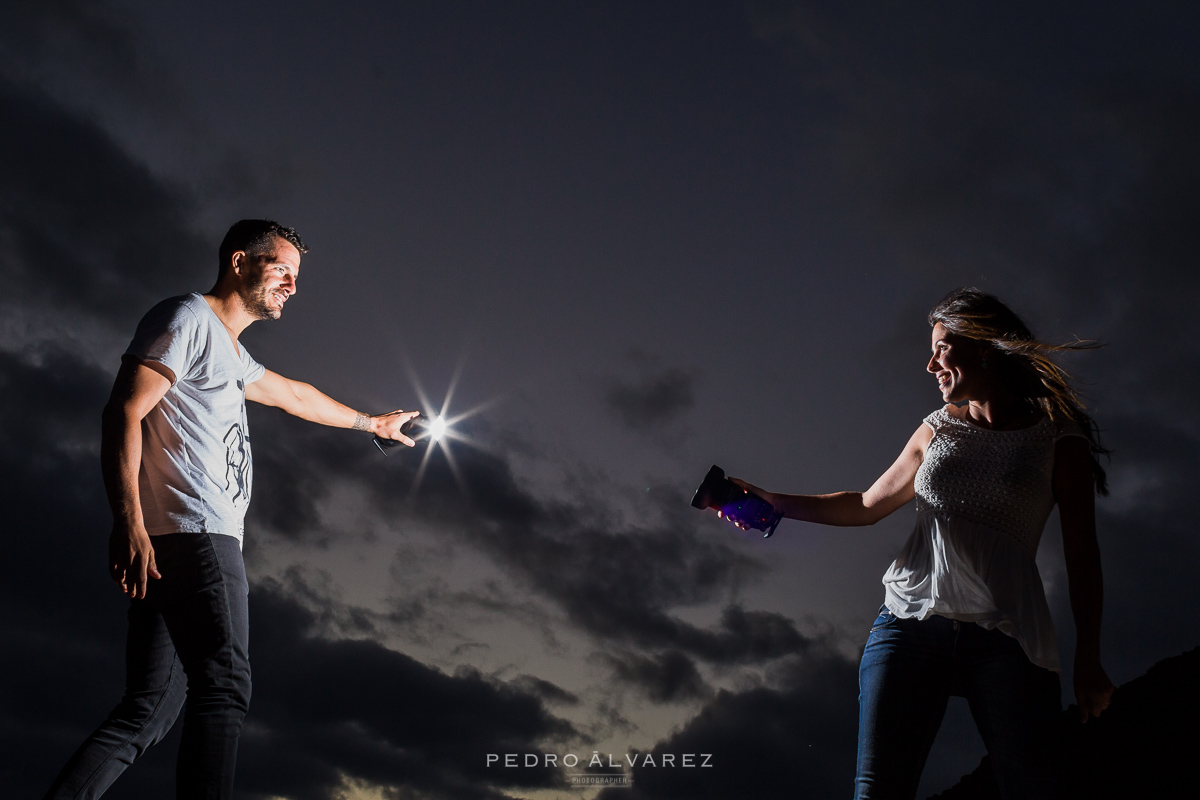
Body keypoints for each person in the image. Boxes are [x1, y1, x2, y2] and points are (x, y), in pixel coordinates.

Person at [44, 220, 419, 800]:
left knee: (148, 710)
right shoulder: (187, 318)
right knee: (224, 684)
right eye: (283, 271)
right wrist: (129, 523)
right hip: (196, 536)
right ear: (240, 262)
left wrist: (373, 423)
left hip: (177, 542)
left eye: (297, 278)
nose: (292, 287)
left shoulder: (228, 348)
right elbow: (123, 411)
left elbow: (293, 394)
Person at [732, 289, 1115, 800]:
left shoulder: (1057, 439)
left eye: (941, 347)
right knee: (877, 793)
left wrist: (1088, 656)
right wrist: (774, 501)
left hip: (1008, 637)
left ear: (981, 346)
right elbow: (867, 505)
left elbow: (1082, 554)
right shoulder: (935, 430)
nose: (930, 363)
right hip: (909, 625)